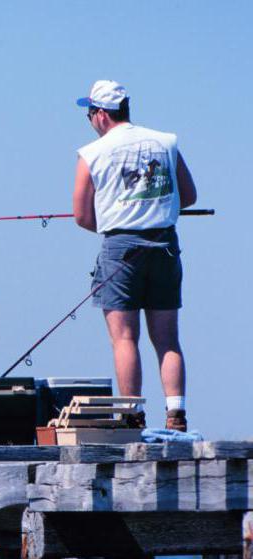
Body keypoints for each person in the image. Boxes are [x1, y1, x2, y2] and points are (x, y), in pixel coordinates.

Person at [72, 80, 197, 431]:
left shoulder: (91, 154)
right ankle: (176, 415)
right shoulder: (166, 142)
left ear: (100, 115)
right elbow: (188, 195)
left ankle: (131, 415)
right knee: (168, 338)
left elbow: (82, 216)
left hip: (120, 248)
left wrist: (117, 219)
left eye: (89, 113)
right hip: (165, 245)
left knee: (125, 338)